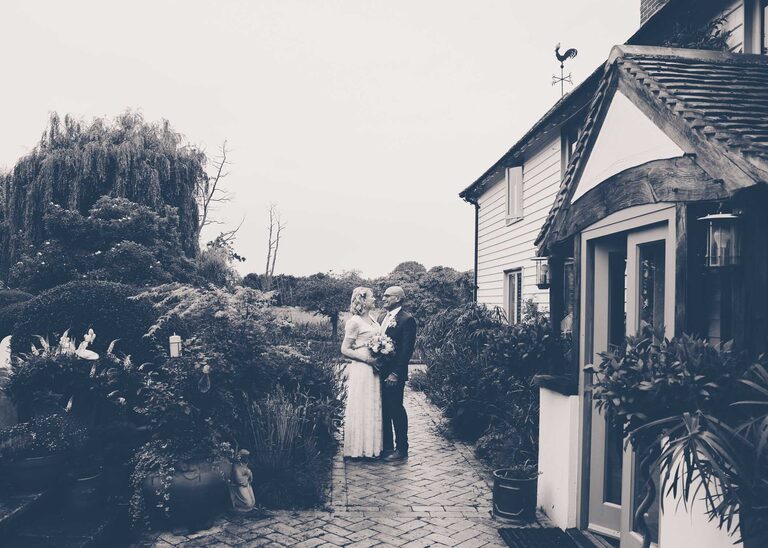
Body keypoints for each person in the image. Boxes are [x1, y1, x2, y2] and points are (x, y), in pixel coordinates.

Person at [340, 287, 383, 458]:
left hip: (375, 366)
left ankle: (372, 448)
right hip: (363, 366)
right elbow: (344, 349)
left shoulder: (372, 318)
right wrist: (367, 360)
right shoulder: (355, 322)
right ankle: (357, 449)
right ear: (363, 300)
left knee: (372, 404)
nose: (375, 299)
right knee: (362, 403)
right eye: (372, 297)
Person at [377, 286, 417, 462]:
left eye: (388, 296)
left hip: (394, 374)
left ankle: (402, 449)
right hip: (378, 372)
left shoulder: (407, 320)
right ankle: (387, 447)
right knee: (383, 410)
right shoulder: (381, 317)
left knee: (396, 410)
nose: (383, 298)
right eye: (384, 295)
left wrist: (395, 373)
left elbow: (406, 351)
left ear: (398, 299)